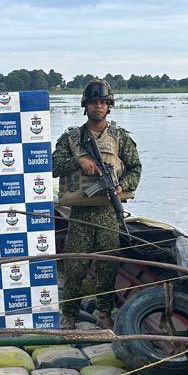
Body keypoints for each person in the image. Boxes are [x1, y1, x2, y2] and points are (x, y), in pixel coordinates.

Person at [52, 78, 142, 330]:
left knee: (107, 266)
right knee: (75, 266)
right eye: (93, 102)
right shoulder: (72, 137)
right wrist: (78, 162)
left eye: (102, 102)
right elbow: (53, 166)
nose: (98, 107)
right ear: (85, 106)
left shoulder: (119, 137)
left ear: (109, 106)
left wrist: (122, 187)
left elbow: (135, 168)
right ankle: (69, 313)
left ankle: (104, 313)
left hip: (107, 213)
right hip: (79, 213)